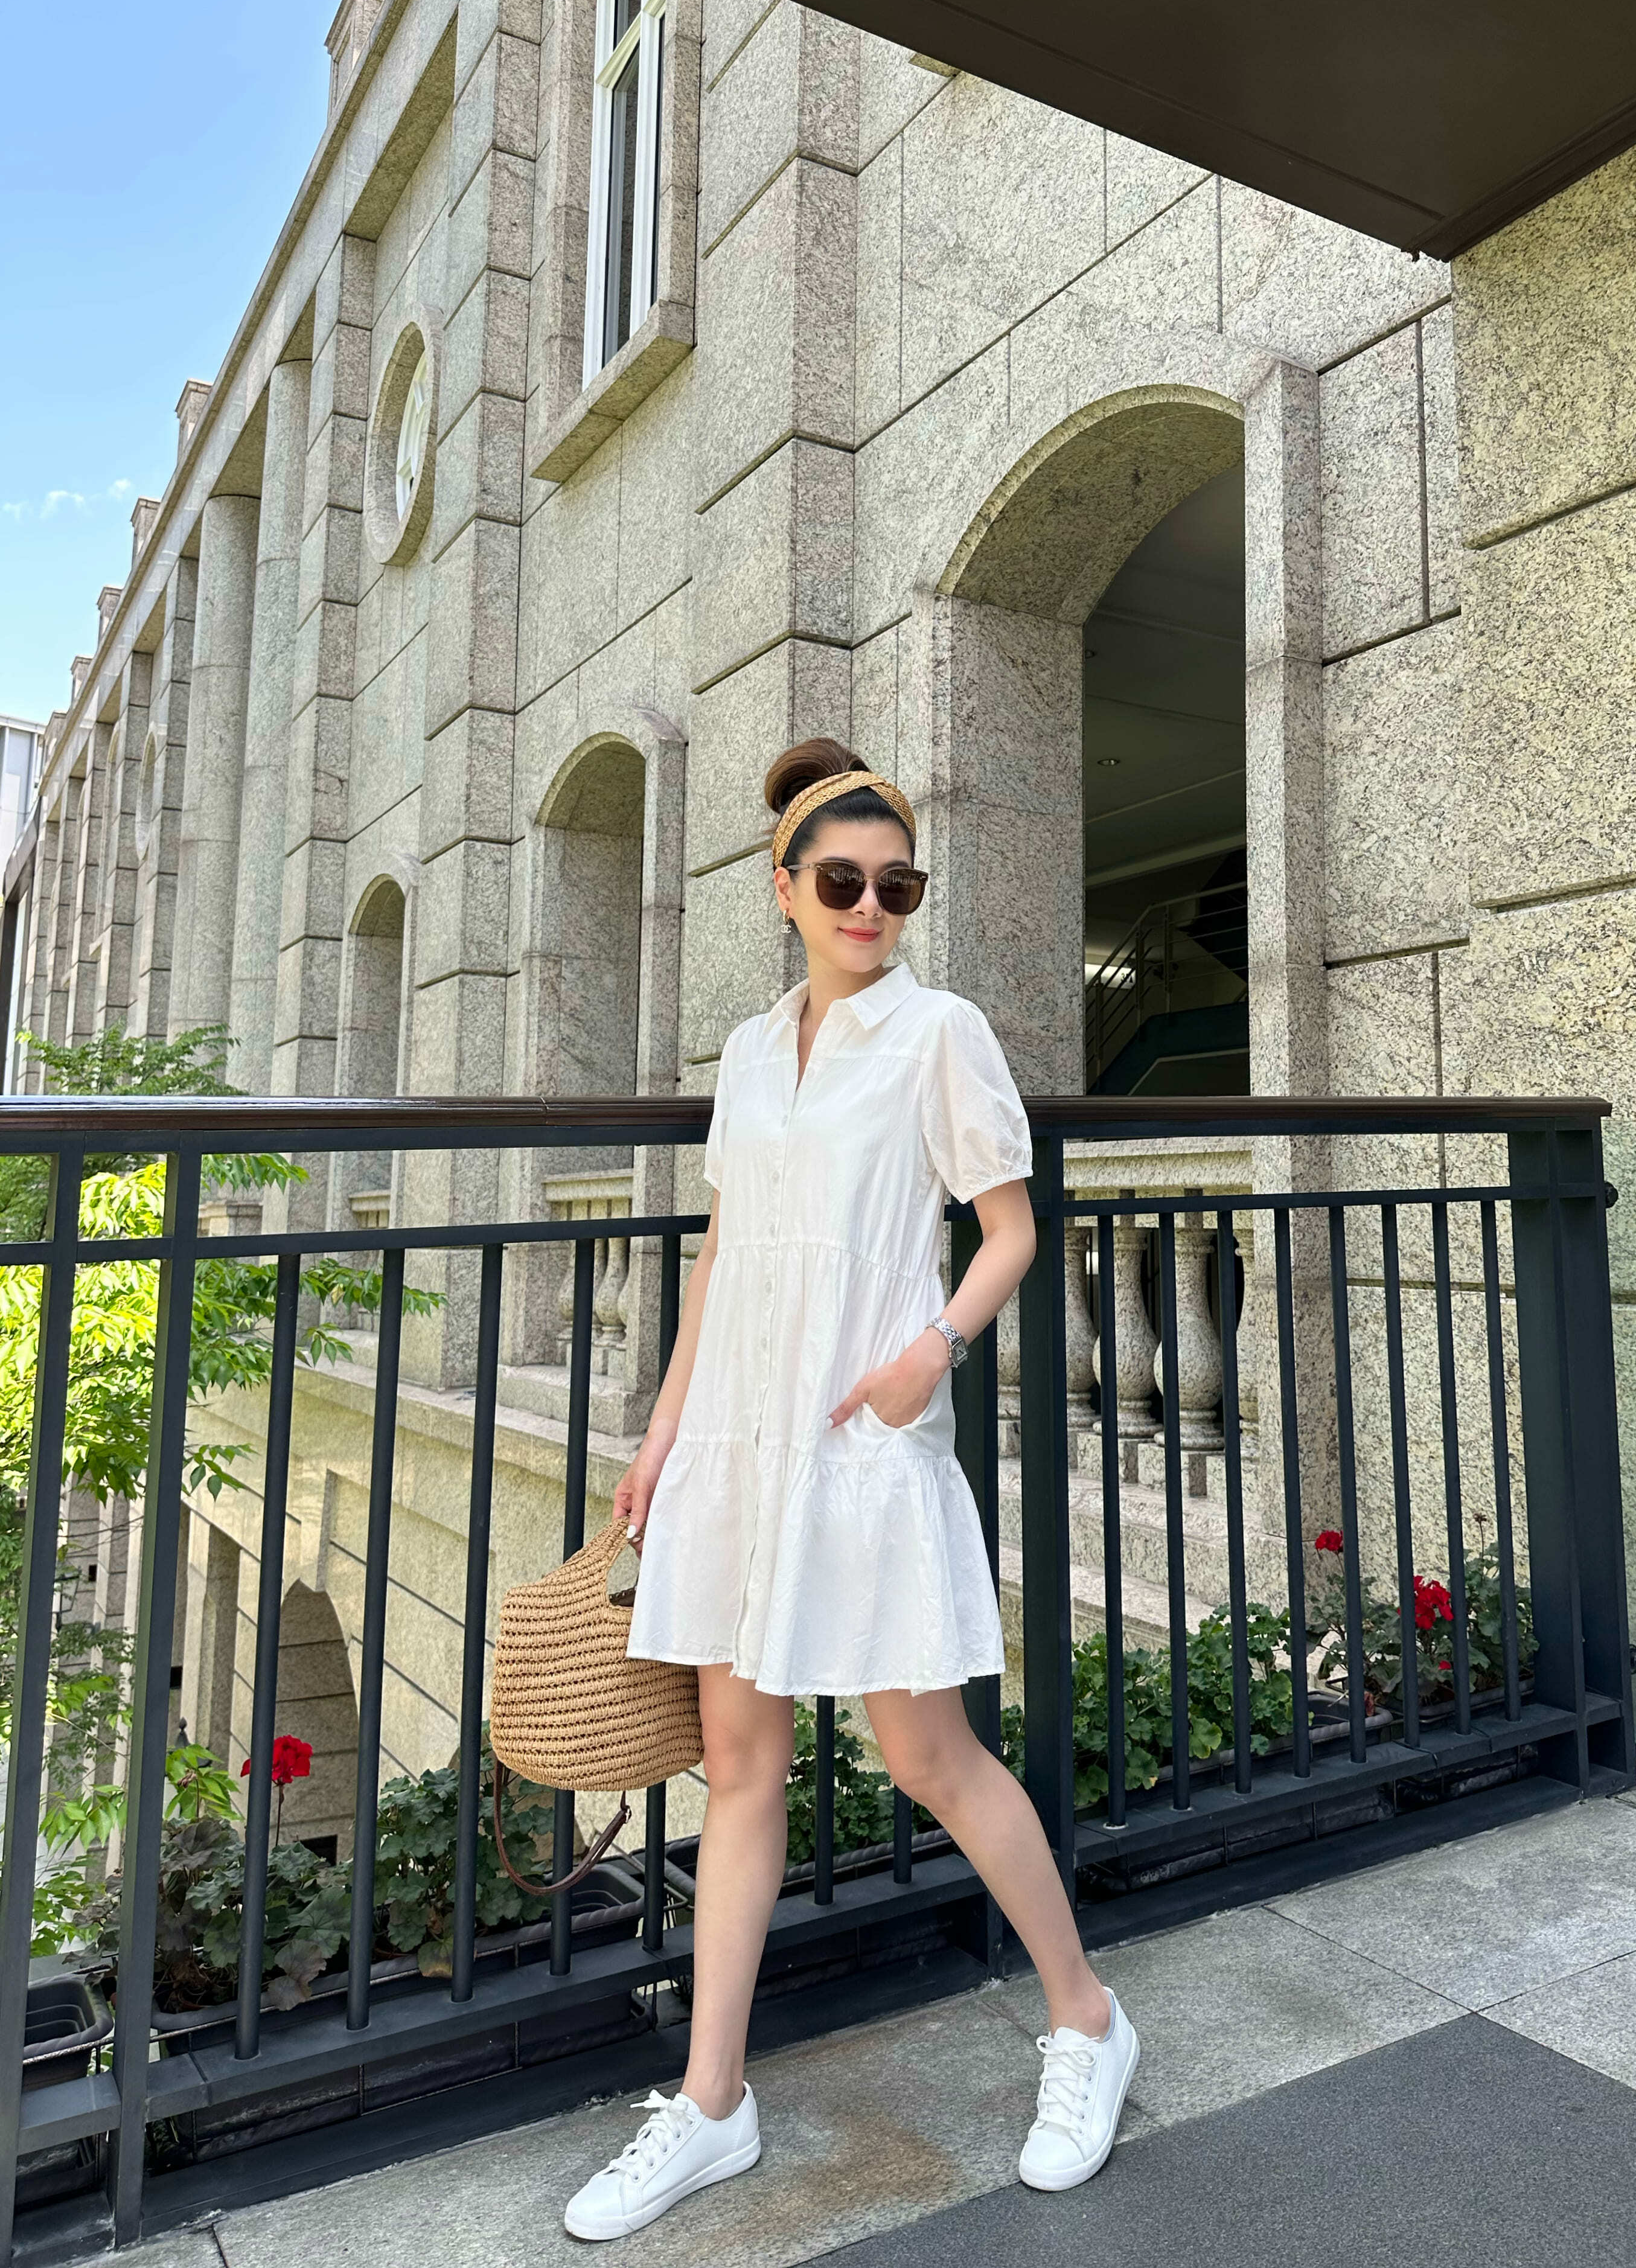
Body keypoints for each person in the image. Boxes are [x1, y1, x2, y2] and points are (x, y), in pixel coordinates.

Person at [563, 739, 1136, 2242]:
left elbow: (1009, 1229)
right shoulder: (751, 1051)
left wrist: (926, 1354)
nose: (869, 905)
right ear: (784, 889)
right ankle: (710, 2102)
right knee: (738, 1766)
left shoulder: (939, 1031)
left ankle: (1084, 2018)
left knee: (927, 1753)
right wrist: (662, 1430)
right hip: (738, 1441)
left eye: (896, 883)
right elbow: (720, 1255)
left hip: (865, 1431)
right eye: (840, 881)